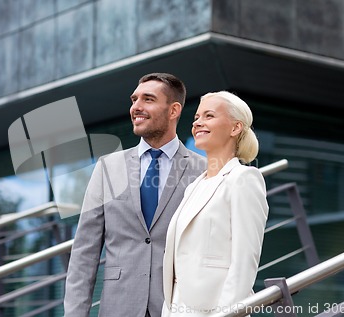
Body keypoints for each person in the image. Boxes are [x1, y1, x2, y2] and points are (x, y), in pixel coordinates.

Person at [64, 73, 207, 317]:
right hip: (119, 306)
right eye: (134, 99)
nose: (136, 107)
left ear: (173, 110)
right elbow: (84, 252)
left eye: (148, 99)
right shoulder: (108, 168)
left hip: (178, 308)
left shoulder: (203, 170)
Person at [162, 91, 269, 316]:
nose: (198, 122)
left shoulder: (243, 179)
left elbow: (244, 262)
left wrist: (227, 313)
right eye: (196, 118)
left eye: (209, 116)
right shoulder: (194, 187)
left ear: (235, 127)